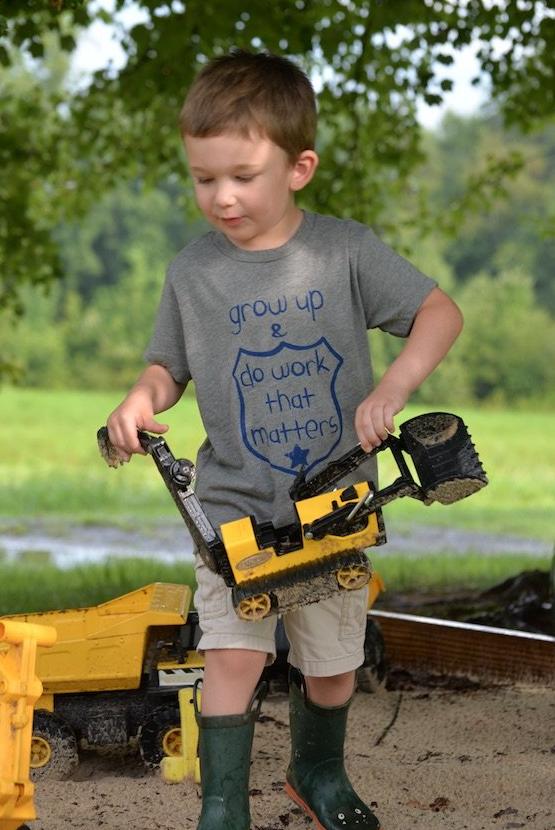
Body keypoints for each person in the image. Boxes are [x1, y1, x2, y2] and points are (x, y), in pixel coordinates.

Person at [106, 49, 463, 830]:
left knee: (331, 669)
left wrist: (392, 388)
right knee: (232, 656)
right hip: (234, 513)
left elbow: (440, 313)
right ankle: (222, 806)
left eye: (241, 176)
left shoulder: (344, 252)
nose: (221, 197)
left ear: (298, 167)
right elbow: (169, 366)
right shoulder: (191, 271)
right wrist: (141, 398)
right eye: (204, 179)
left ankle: (316, 774)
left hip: (333, 513)